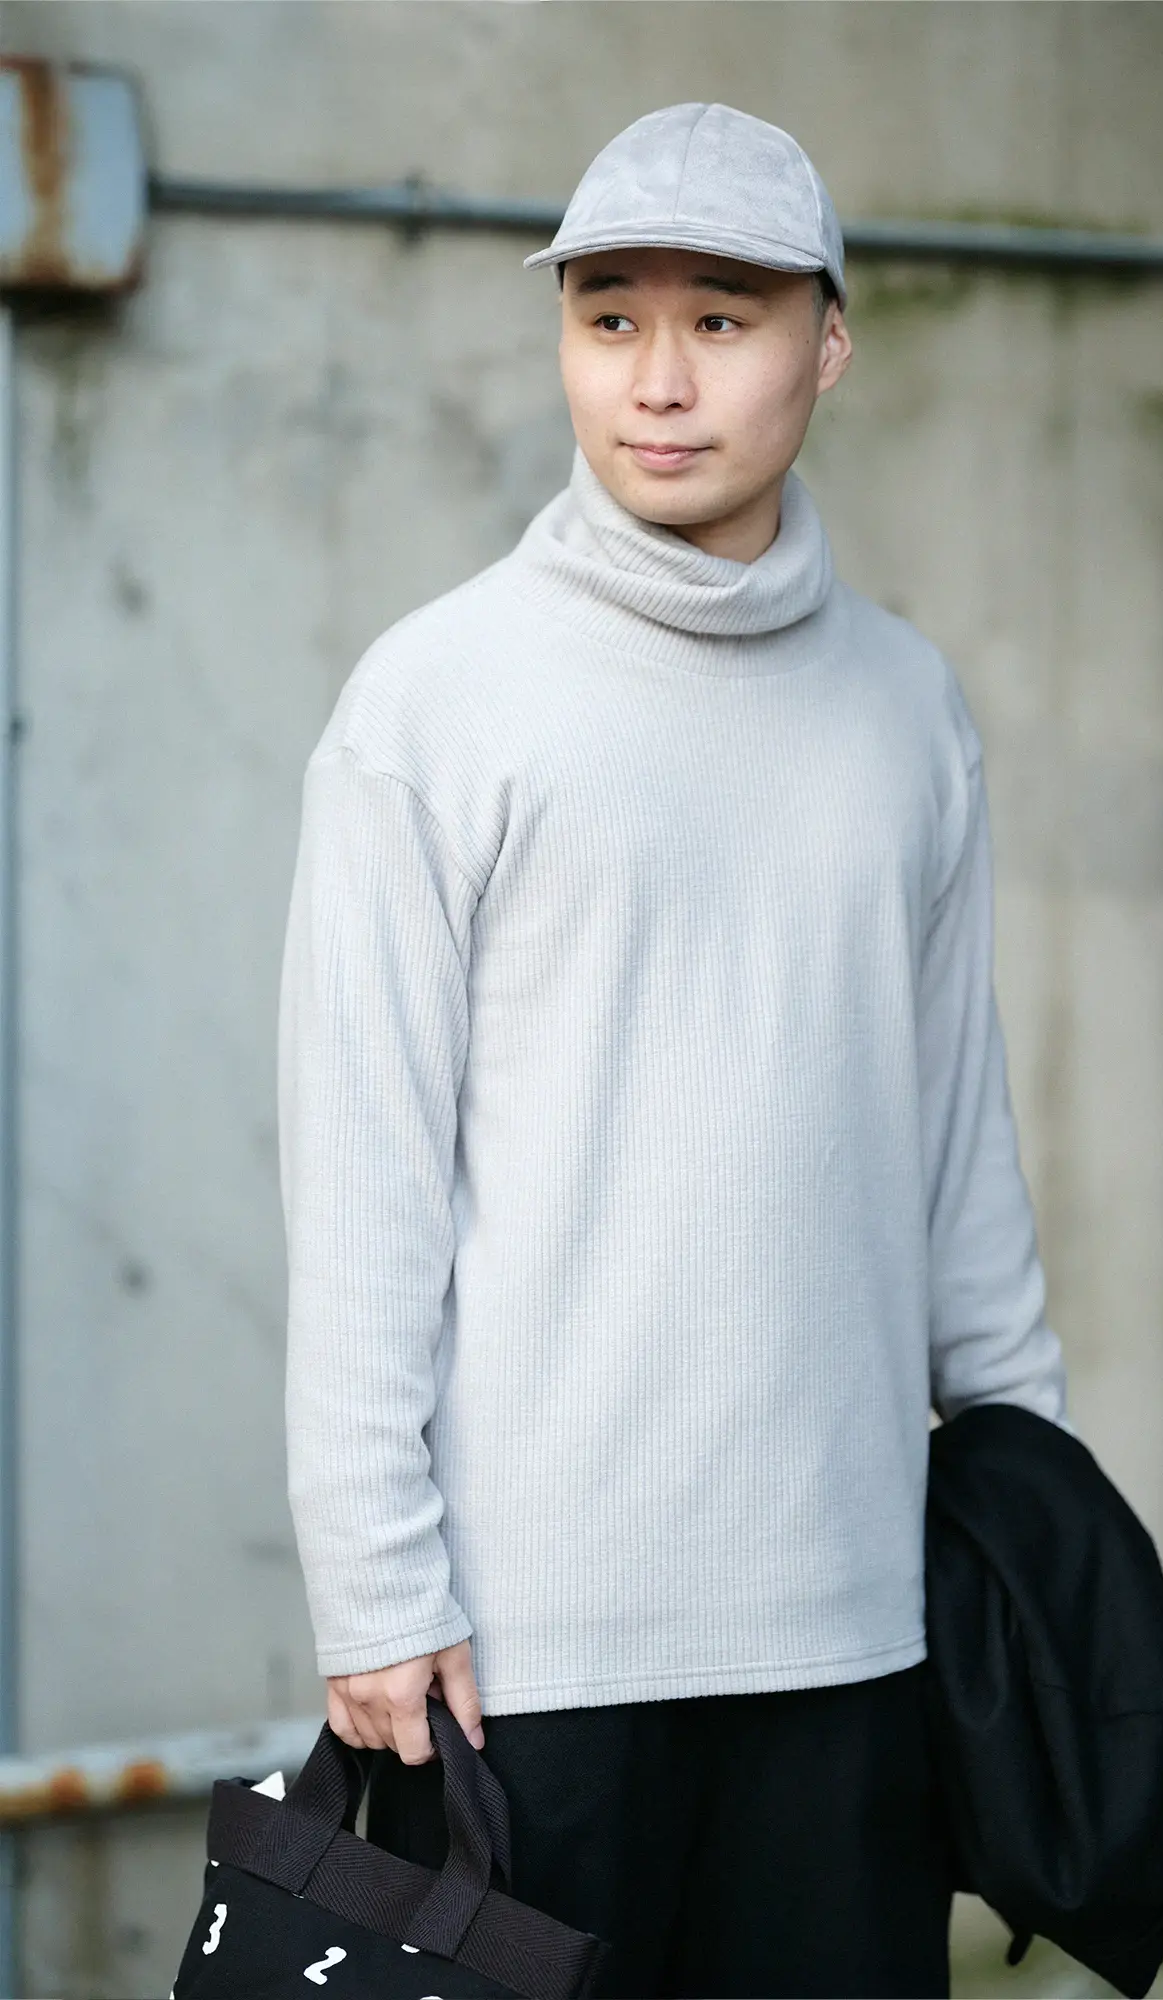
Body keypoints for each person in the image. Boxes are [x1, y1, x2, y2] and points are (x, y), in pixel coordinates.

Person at [277, 100, 1072, 1999]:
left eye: (722, 318)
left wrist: (1041, 1543)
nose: (657, 379)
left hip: (856, 1633)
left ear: (829, 342)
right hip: (526, 1658)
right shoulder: (436, 701)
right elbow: (365, 1174)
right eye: (609, 317)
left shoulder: (907, 707)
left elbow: (957, 1156)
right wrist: (375, 1583)